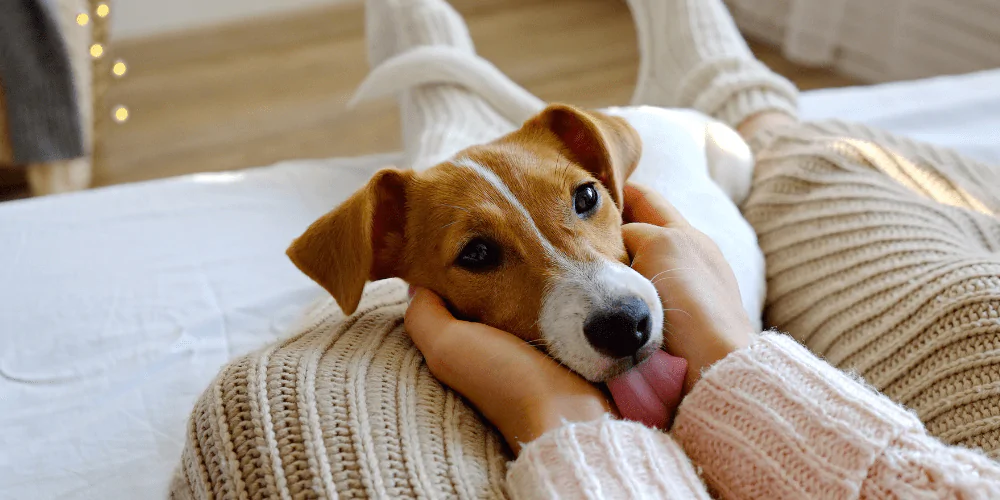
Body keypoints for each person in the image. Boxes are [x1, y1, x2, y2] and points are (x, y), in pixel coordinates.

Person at [403, 0, 1000, 497]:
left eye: (586, 199)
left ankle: (449, 124)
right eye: (481, 255)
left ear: (610, 181)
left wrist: (548, 415)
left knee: (770, 165)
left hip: (687, 142)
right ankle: (727, 91)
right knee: (821, 177)